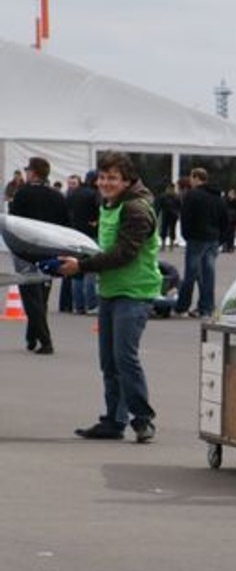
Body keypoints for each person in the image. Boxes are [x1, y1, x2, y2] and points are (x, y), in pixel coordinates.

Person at [58, 151, 162, 443]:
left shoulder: (136, 209)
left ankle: (142, 420)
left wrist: (82, 266)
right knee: (109, 361)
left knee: (124, 358)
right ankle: (114, 421)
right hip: (111, 290)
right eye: (103, 177)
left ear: (127, 181)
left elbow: (124, 253)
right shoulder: (109, 203)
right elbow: (104, 247)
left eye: (113, 178)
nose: (106, 183)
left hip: (135, 292)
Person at [8, 156, 69, 355]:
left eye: (28, 170)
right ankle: (32, 336)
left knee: (30, 296)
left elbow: (14, 223)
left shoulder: (22, 193)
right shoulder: (57, 196)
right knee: (42, 296)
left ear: (33, 173)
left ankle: (45, 340)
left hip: (26, 250)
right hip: (50, 250)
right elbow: (65, 225)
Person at [177, 168, 221, 316]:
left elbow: (185, 216)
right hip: (213, 239)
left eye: (191, 178)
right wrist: (220, 237)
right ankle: (206, 307)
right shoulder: (216, 195)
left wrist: (186, 235)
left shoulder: (192, 195)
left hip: (196, 238)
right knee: (208, 274)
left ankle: (182, 306)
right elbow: (224, 217)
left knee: (191, 274)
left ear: (196, 178)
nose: (190, 181)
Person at [63, 171, 102, 315]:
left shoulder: (73, 194)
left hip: (75, 235)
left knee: (76, 271)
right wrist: (96, 222)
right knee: (90, 269)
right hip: (91, 235)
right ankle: (91, 305)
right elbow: (101, 212)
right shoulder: (95, 194)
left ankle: (78, 305)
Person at [156, 181, 182, 249]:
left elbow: (180, 206)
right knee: (168, 229)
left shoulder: (172, 196)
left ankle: (167, 244)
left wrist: (157, 214)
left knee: (168, 229)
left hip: (169, 214)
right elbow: (180, 206)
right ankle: (167, 244)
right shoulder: (175, 196)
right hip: (171, 214)